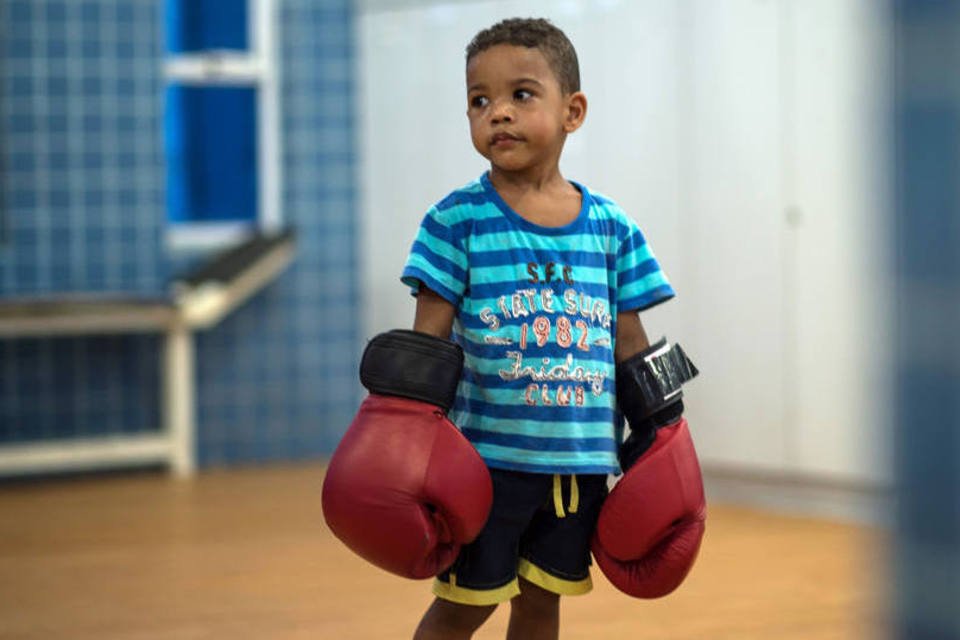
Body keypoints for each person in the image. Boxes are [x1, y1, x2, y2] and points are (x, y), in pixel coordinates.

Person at [400, 18, 678, 640]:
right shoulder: (455, 221)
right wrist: (405, 444)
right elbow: (426, 345)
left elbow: (631, 345)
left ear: (572, 110)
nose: (497, 113)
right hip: (484, 464)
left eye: (520, 95)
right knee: (464, 605)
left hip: (578, 465)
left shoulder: (611, 227)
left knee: (541, 603)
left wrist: (666, 433)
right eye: (480, 100)